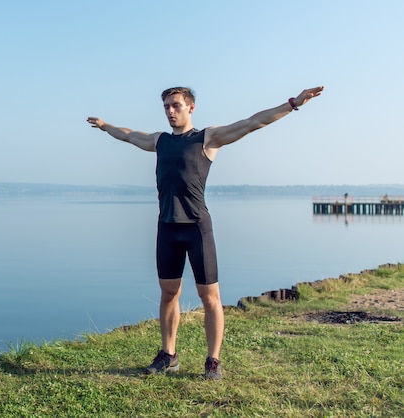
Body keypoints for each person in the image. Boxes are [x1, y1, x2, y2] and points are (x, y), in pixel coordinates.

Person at [86, 85, 324, 379]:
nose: (170, 112)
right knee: (169, 293)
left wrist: (293, 103)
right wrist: (105, 126)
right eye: (166, 107)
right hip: (167, 228)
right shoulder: (159, 141)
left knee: (210, 297)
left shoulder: (207, 138)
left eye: (175, 106)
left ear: (190, 107)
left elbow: (252, 122)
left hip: (197, 228)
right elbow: (127, 134)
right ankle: (168, 355)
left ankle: (213, 360)